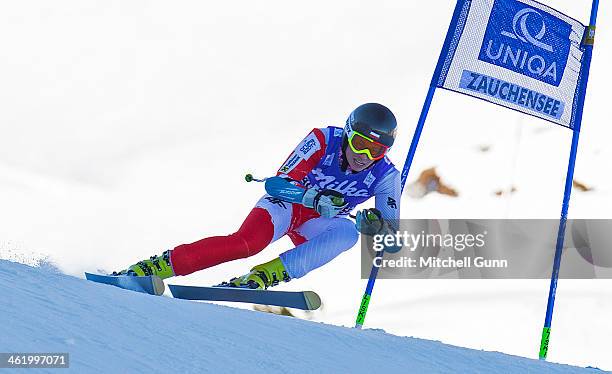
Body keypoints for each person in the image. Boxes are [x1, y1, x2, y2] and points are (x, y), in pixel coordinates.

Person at [115, 103, 401, 289]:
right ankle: (158, 266)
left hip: (319, 223)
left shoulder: (387, 176)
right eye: (361, 145)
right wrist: (313, 199)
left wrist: (376, 228)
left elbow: (393, 243)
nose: (365, 156)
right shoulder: (324, 139)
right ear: (348, 134)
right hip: (288, 205)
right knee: (247, 243)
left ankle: (261, 277)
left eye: (376, 151)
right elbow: (275, 185)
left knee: (349, 233)